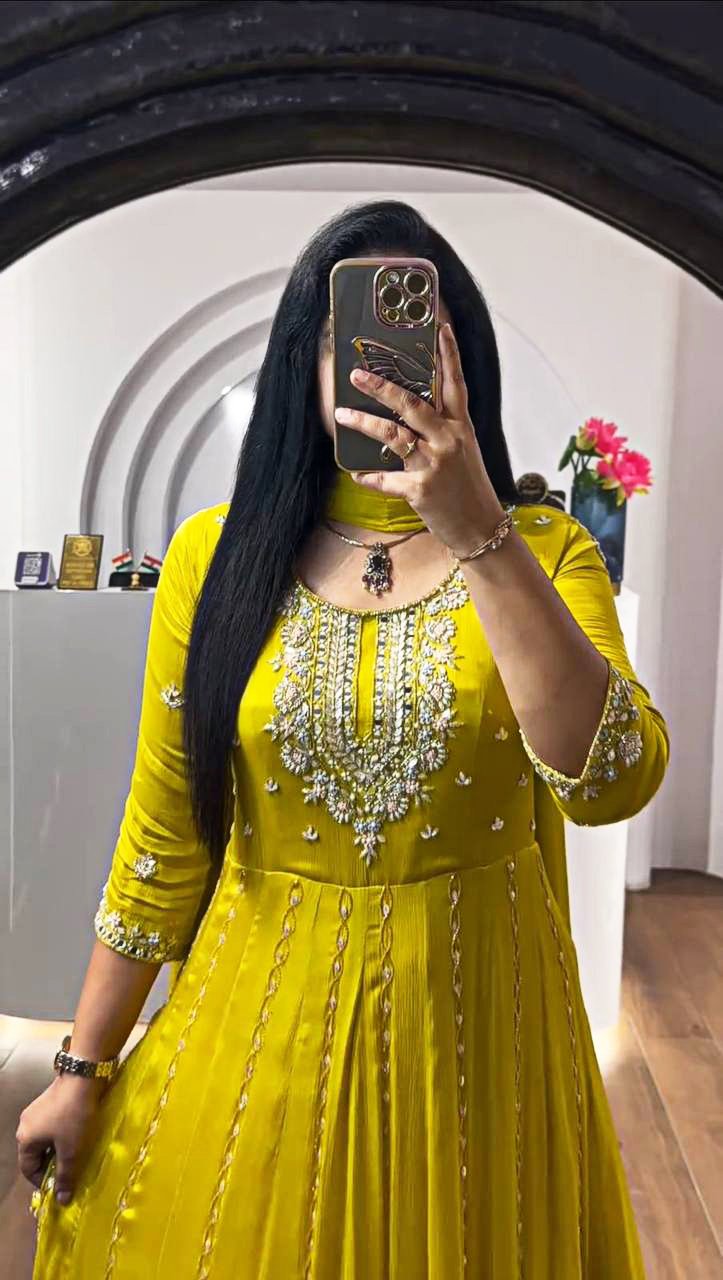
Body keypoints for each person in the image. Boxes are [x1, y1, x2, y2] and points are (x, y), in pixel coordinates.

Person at [19, 200, 669, 1278]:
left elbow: (611, 780)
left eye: (419, 337)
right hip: (258, 1029)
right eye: (350, 339)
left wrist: (478, 530)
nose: (382, 367)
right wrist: (80, 1068)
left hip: (480, 1038)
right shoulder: (217, 558)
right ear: (303, 365)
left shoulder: (546, 552)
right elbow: (164, 840)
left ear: (462, 363)